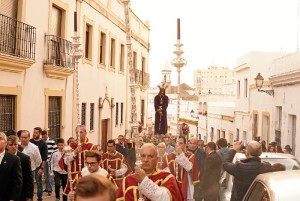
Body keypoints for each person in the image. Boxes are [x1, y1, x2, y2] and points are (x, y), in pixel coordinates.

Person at [117, 143, 184, 200]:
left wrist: (143, 181)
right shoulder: (127, 181)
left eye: (150, 156)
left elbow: (165, 198)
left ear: (156, 159)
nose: (146, 160)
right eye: (143, 156)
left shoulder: (167, 178)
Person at [60, 125, 98, 195]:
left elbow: (96, 163)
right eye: (77, 133)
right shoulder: (71, 146)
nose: (79, 135)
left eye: (81, 132)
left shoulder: (91, 146)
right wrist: (75, 152)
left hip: (87, 175)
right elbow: (65, 161)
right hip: (74, 176)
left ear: (85, 133)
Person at [162, 136, 200, 201]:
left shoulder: (190, 156)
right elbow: (165, 175)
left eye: (181, 143)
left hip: (186, 187)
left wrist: (180, 154)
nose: (178, 145)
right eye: (177, 143)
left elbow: (189, 168)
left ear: (185, 145)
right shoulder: (168, 157)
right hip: (172, 187)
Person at [7, 135, 34, 201]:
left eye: (15, 144)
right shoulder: (3, 157)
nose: (13, 147)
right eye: (11, 145)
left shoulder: (24, 158)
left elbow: (29, 179)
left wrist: (29, 196)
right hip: (6, 192)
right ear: (6, 145)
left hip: (21, 193)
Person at [0, 132, 23, 201]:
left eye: (0, 138)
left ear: (6, 143)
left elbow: (17, 182)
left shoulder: (14, 159)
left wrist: (13, 198)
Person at [30, 127, 49, 200]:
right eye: (34, 132)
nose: (34, 134)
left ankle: (39, 198)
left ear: (40, 134)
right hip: (30, 165)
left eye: (36, 133)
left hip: (38, 166)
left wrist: (41, 168)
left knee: (39, 183)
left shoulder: (43, 143)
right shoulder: (30, 141)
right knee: (30, 183)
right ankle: (30, 197)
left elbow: (44, 158)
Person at [41, 130, 57, 195]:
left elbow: (55, 150)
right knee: (45, 175)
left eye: (44, 136)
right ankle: (47, 188)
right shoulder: (42, 142)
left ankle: (50, 190)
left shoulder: (52, 141)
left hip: (50, 161)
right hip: (44, 160)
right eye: (42, 136)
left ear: (46, 135)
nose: (43, 137)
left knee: (49, 175)